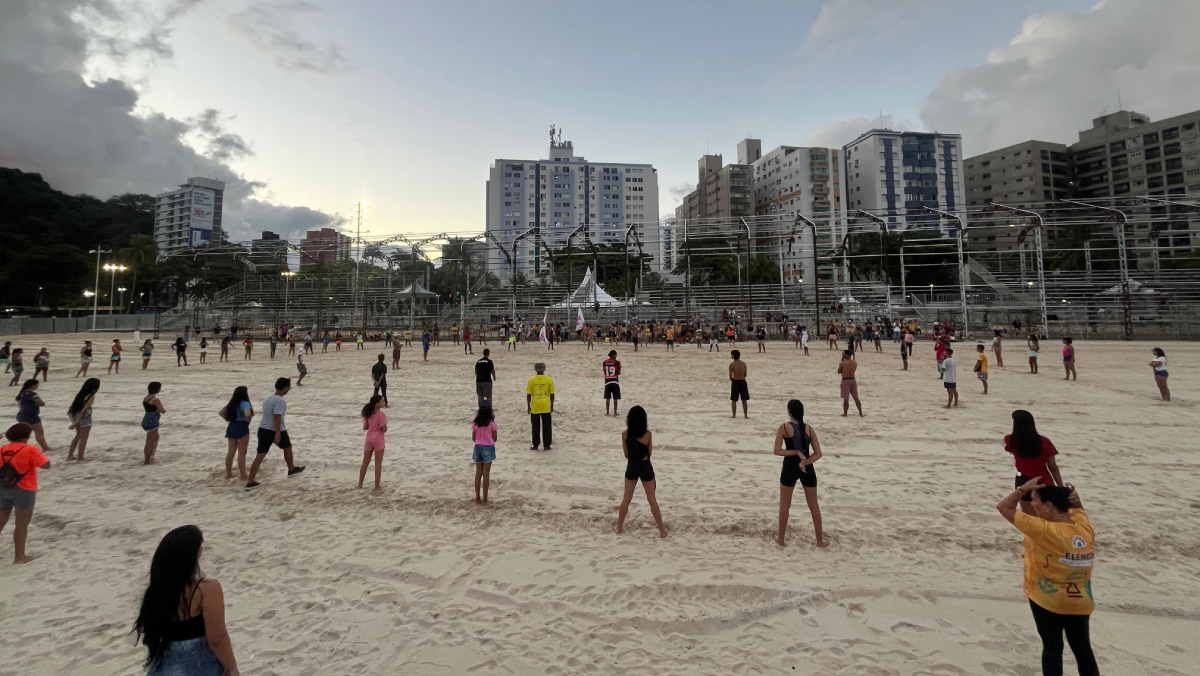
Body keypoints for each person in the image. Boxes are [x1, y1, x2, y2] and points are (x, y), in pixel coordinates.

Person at [996, 480, 1098, 676]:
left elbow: (1003, 507)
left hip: (1048, 599)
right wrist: (1076, 501)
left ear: (1049, 506)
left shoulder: (1042, 529)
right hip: (1081, 602)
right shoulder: (1084, 528)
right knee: (1083, 651)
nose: (1032, 505)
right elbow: (1077, 509)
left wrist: (1023, 489)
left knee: (1052, 649)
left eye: (1036, 501)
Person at [133, 525, 240, 676]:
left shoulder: (156, 591)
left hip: (164, 668)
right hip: (199, 666)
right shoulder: (207, 589)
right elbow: (217, 638)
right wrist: (232, 667)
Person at [772, 399, 826, 547]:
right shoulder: (809, 429)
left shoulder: (784, 427)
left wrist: (795, 453)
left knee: (785, 505)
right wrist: (805, 462)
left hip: (790, 466)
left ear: (789, 412)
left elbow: (777, 451)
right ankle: (820, 541)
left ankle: (781, 539)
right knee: (814, 505)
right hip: (807, 467)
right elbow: (818, 453)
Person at [613, 406, 667, 538]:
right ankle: (662, 531)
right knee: (652, 500)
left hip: (632, 466)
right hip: (645, 466)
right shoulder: (648, 434)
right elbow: (649, 453)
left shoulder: (625, 434)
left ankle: (619, 527)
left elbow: (626, 454)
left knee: (626, 498)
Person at [0, 423, 51, 564]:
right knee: (21, 525)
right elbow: (45, 465)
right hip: (24, 489)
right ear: (27, 436)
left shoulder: (2, 449)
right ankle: (20, 556)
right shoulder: (30, 449)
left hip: (3, 488)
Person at [246, 377, 305, 489]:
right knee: (287, 447)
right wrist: (277, 433)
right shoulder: (280, 400)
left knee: (260, 455)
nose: (290, 389)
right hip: (274, 430)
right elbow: (277, 417)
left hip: (263, 428)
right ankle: (291, 469)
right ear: (285, 388)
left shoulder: (268, 399)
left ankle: (250, 480)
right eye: (289, 387)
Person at [1004, 410, 1064, 514]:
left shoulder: (1011, 440)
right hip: (1043, 481)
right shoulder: (1044, 441)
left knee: (1029, 517)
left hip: (1022, 480)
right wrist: (1060, 486)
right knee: (1048, 517)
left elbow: (1012, 450)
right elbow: (1053, 466)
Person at [220, 387, 253, 481]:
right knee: (242, 454)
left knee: (230, 453)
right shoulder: (245, 403)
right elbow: (247, 414)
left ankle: (228, 474)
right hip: (242, 427)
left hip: (232, 426)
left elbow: (221, 412)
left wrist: (228, 419)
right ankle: (243, 475)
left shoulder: (232, 403)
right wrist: (248, 420)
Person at [471, 401, 497, 504]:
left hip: (477, 446)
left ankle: (477, 497)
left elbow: (473, 437)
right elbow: (495, 437)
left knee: (478, 473)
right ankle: (485, 498)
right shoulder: (492, 422)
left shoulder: (476, 422)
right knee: (486, 474)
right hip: (488, 447)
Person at [358, 395, 387, 491]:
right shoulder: (381, 414)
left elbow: (365, 427)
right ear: (377, 404)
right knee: (378, 463)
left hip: (369, 437)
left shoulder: (367, 414)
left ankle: (360, 484)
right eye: (382, 401)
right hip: (378, 437)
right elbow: (384, 429)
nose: (384, 402)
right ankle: (377, 486)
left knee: (365, 462)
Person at [67, 378, 99, 461]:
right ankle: (80, 457)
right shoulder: (91, 395)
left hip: (75, 415)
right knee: (84, 438)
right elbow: (84, 410)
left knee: (78, 436)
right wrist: (77, 421)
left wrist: (74, 422)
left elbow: (70, 411)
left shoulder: (80, 394)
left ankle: (70, 455)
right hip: (85, 417)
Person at [15, 380, 52, 450]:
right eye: (37, 385)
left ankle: (21, 447)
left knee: (25, 433)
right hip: (32, 415)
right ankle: (45, 447)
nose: (37, 386)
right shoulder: (33, 394)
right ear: (32, 385)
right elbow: (42, 403)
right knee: (39, 432)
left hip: (21, 415)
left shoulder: (21, 393)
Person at [526, 363, 555, 451]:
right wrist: (551, 405)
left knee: (535, 426)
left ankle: (535, 445)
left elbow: (528, 395)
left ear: (535, 369)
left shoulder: (531, 380)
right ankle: (547, 445)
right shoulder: (549, 379)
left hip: (535, 405)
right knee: (547, 426)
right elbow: (552, 394)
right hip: (545, 405)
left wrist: (528, 406)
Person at [142, 382, 165, 465]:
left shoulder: (146, 398)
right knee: (150, 441)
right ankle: (147, 460)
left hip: (146, 419)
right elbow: (163, 411)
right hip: (152, 420)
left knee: (155, 438)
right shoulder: (155, 400)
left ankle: (151, 456)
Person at [837, 351, 863, 417]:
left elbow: (839, 371)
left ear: (846, 355)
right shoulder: (854, 363)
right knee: (856, 398)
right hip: (853, 379)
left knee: (846, 399)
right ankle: (860, 413)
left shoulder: (842, 363)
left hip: (845, 380)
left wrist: (842, 360)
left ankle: (845, 413)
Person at [602, 350, 621, 416]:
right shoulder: (617, 362)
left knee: (607, 398)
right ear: (613, 355)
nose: (616, 356)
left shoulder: (604, 362)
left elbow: (604, 371)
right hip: (615, 381)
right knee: (615, 398)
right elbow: (618, 373)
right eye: (616, 355)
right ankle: (615, 412)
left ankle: (607, 412)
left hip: (607, 381)